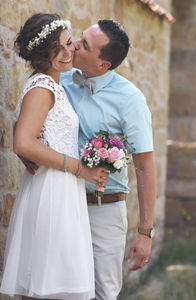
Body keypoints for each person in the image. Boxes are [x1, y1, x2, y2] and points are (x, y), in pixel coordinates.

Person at [21, 19, 156, 300]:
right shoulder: (60, 77)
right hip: (59, 204)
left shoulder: (130, 100)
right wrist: (25, 148)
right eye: (79, 38)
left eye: (83, 45)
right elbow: (31, 119)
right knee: (54, 289)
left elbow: (144, 167)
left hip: (101, 210)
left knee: (103, 293)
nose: (73, 47)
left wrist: (145, 232)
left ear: (103, 64)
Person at [0, 13, 108, 300]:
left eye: (69, 44)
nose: (66, 52)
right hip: (52, 193)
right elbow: (22, 142)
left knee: (52, 285)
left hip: (62, 191)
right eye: (56, 49)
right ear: (40, 55)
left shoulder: (51, 84)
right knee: (47, 286)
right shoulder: (43, 87)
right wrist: (79, 168)